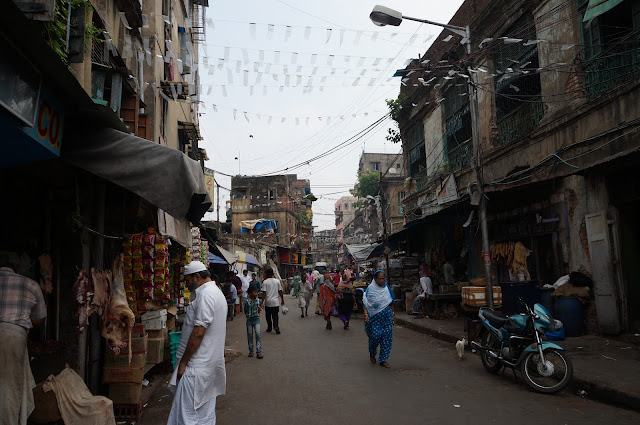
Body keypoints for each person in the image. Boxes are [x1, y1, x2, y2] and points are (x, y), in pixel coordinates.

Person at [168, 261, 227, 424]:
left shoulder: (207, 295)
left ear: (197, 277)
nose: (186, 286)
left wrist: (183, 363)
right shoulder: (216, 292)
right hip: (208, 367)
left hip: (197, 369)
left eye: (187, 281)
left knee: (187, 416)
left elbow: (199, 332)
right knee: (203, 415)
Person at [0, 255, 47, 425]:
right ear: (16, 270)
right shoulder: (30, 284)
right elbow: (41, 319)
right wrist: (23, 320)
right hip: (13, 336)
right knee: (9, 390)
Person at [363, 270, 395, 369]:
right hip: (375, 318)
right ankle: (372, 353)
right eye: (379, 278)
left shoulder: (386, 288)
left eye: (383, 278)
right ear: (375, 279)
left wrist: (393, 315)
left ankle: (383, 360)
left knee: (386, 339)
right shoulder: (370, 289)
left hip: (387, 317)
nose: (382, 280)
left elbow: (391, 301)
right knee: (375, 337)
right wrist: (366, 314)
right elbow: (366, 303)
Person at [261, 268, 284, 334]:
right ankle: (276, 326)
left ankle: (269, 327)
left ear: (267, 274)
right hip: (275, 302)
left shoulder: (265, 282)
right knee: (275, 315)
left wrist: (262, 302)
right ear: (273, 274)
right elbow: (280, 291)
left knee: (268, 316)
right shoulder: (277, 281)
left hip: (268, 302)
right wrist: (282, 300)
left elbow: (264, 293)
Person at [244, 286, 263, 359]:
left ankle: (259, 351)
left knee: (258, 334)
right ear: (250, 293)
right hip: (249, 320)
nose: (256, 294)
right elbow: (245, 310)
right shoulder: (247, 302)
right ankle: (251, 350)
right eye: (254, 292)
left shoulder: (258, 301)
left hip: (256, 319)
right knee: (250, 335)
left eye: (256, 292)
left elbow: (260, 308)